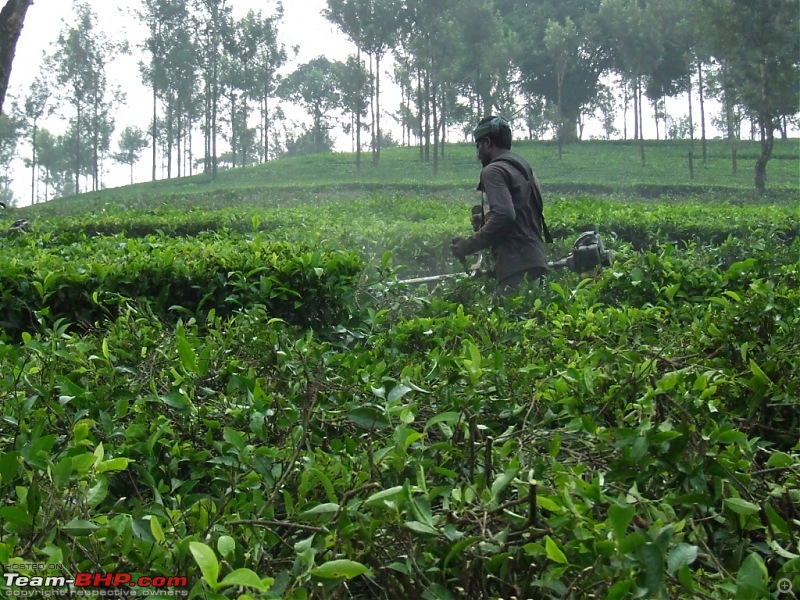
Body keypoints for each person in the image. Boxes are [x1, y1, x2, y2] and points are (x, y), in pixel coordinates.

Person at [450, 116, 550, 295]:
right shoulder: (525, 170)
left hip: (515, 267)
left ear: (487, 142)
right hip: (537, 261)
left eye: (478, 146)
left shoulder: (493, 171)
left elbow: (505, 215)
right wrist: (486, 218)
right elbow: (523, 214)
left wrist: (468, 245)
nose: (478, 153)